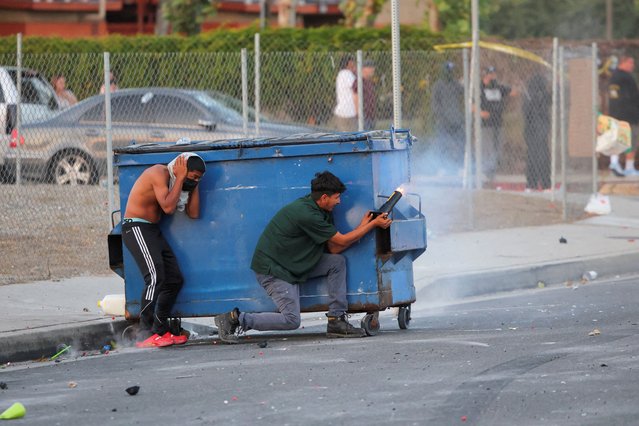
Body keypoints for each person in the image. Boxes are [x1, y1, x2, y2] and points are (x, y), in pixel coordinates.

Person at [215, 171, 392, 343]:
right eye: (337, 197)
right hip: (275, 269)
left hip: (293, 264)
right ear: (324, 197)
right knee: (291, 320)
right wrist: (371, 225)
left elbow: (334, 248)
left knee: (336, 263)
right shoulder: (307, 214)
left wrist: (362, 226)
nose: (339, 202)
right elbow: (342, 240)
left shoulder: (322, 211)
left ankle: (336, 321)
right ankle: (236, 319)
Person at [122, 153, 206, 348]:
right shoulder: (158, 173)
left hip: (151, 230)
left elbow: (193, 213)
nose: (191, 182)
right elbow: (168, 207)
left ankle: (159, 329)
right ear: (180, 170)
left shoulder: (185, 182)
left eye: (197, 178)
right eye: (190, 177)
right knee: (155, 277)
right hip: (136, 227)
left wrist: (194, 183)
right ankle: (143, 333)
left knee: (175, 279)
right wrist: (182, 177)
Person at [431, 61, 465, 174]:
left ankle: (460, 167)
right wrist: (442, 117)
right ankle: (442, 167)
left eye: (452, 71)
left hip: (456, 120)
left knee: (460, 143)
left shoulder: (456, 84)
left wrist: (464, 83)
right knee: (442, 144)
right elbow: (435, 104)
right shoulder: (438, 86)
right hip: (444, 122)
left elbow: (464, 92)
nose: (451, 73)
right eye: (449, 71)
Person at [607, 55, 639, 177]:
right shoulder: (626, 77)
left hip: (616, 114)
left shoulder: (614, 77)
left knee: (618, 139)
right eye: (630, 63)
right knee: (631, 140)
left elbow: (614, 96)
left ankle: (614, 162)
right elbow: (631, 97)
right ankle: (628, 167)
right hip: (629, 115)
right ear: (623, 62)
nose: (632, 65)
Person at [480, 66, 513, 179]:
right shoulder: (480, 87)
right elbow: (472, 104)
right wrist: (480, 113)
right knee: (487, 148)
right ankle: (485, 172)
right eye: (491, 74)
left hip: (498, 122)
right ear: (486, 75)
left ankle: (492, 171)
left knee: (497, 148)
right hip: (486, 124)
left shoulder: (498, 87)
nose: (493, 76)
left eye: (494, 74)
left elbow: (512, 92)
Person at [523, 73, 552, 190]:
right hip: (534, 131)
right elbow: (526, 112)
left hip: (537, 131)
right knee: (537, 157)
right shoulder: (530, 95)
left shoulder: (542, 95)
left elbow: (551, 99)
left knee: (538, 157)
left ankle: (536, 183)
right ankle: (536, 183)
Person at [333, 56, 358, 132]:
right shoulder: (346, 74)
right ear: (348, 64)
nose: (354, 67)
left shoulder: (342, 74)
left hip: (344, 112)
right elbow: (356, 88)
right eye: (352, 64)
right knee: (351, 138)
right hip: (347, 113)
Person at [353, 60, 377, 131]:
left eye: (372, 67)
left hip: (371, 117)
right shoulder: (359, 81)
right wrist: (359, 115)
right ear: (363, 69)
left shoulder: (369, 81)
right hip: (363, 117)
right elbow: (356, 98)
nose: (373, 69)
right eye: (369, 67)